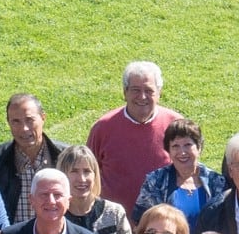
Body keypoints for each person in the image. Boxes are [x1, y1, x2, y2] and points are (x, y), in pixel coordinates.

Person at [87, 62, 180, 217]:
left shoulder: (175, 125)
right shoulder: (103, 128)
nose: (142, 97)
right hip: (113, 223)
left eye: (149, 90)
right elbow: (88, 172)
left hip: (162, 224)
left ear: (159, 93)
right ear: (125, 92)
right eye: (135, 90)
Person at [0, 93, 62, 221]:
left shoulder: (65, 157)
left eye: (30, 120)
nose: (24, 128)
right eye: (16, 122)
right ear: (8, 123)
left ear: (43, 118)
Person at [134, 117, 227, 224]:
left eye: (187, 145)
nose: (182, 152)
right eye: (175, 146)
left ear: (199, 147)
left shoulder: (217, 182)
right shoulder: (155, 181)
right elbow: (142, 222)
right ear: (168, 150)